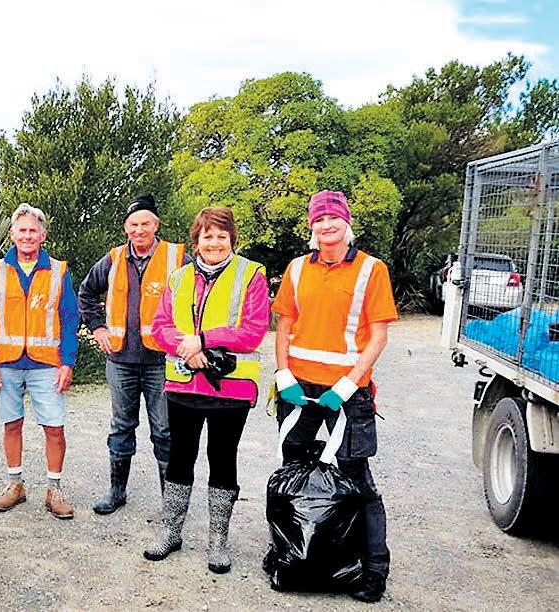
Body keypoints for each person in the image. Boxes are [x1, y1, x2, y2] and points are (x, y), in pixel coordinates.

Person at [271, 190, 398, 603]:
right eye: (319, 220)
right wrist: (283, 373)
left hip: (347, 392)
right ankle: (291, 554)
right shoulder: (296, 268)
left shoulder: (371, 269)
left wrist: (349, 383)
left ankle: (373, 570)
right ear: (312, 226)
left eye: (334, 219)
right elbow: (284, 327)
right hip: (298, 390)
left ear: (347, 223)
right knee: (293, 474)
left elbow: (378, 335)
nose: (327, 226)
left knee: (356, 479)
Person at [142, 207, 269, 573]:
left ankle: (218, 541)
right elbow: (160, 325)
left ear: (232, 240)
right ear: (196, 240)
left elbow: (253, 330)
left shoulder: (251, 274)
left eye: (221, 236)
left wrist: (203, 340)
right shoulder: (179, 277)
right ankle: (171, 532)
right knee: (180, 457)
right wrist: (187, 348)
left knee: (222, 458)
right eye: (207, 236)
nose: (214, 243)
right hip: (184, 384)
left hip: (231, 389)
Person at [78, 194, 188, 514]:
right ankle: (117, 492)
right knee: (121, 426)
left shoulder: (178, 258)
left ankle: (171, 501)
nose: (139, 230)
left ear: (156, 225)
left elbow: (199, 297)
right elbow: (86, 292)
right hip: (120, 360)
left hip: (162, 361)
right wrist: (98, 328)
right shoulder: (113, 259)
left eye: (145, 223)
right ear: (126, 227)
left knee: (164, 431)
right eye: (133, 224)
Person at [0, 204, 79, 519]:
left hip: (47, 364)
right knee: (11, 424)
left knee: (54, 428)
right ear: (12, 234)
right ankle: (15, 485)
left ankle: (54, 489)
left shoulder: (58, 271)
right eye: (22, 230)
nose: (27, 236)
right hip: (6, 363)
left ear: (43, 235)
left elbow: (70, 318)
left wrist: (67, 362)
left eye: (33, 230)